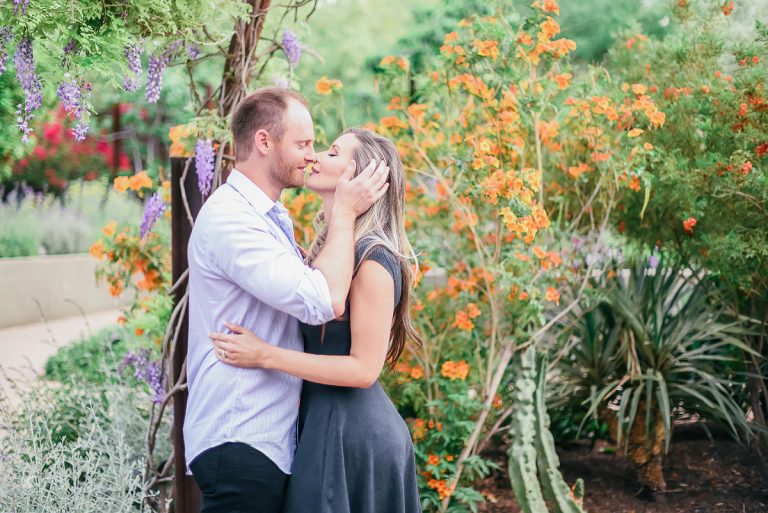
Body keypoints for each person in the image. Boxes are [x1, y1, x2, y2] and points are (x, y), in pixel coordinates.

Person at [184, 88, 390, 513]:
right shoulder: (233, 220)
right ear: (264, 142)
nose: (312, 156)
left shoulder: (272, 219)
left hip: (272, 440)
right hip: (240, 434)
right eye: (304, 144)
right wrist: (345, 214)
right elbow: (323, 300)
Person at [209, 127, 423, 513]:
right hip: (320, 423)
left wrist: (265, 356)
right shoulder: (329, 251)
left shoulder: (374, 260)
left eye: (332, 152)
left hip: (354, 434)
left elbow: (364, 369)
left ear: (358, 178)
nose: (315, 157)